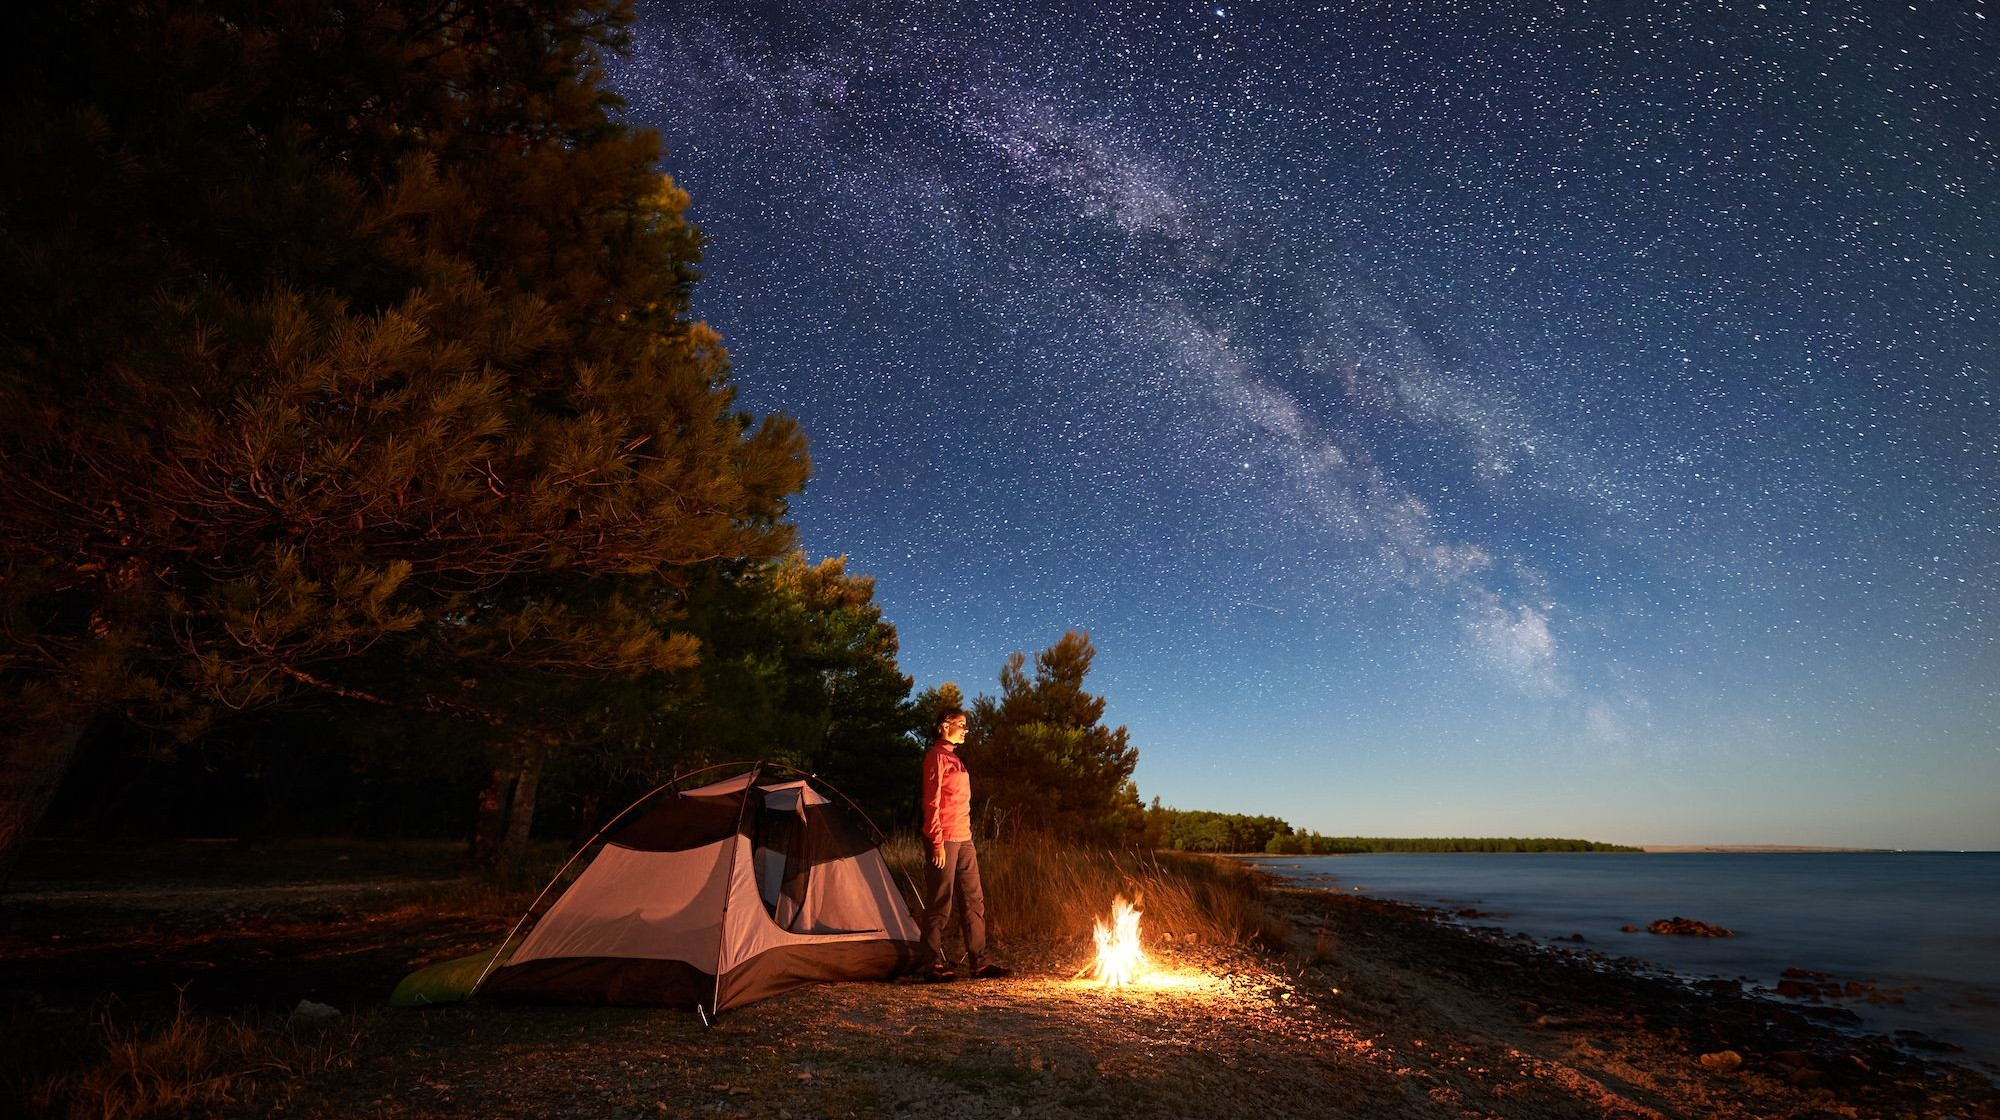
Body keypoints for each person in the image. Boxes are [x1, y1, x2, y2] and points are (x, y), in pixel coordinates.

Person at [919, 707, 1009, 981]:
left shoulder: (954, 759)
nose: (966, 729)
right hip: (944, 838)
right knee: (940, 902)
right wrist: (936, 842)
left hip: (964, 837)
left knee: (973, 900)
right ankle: (931, 964)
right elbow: (931, 801)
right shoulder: (936, 758)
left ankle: (979, 963)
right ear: (944, 726)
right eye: (961, 724)